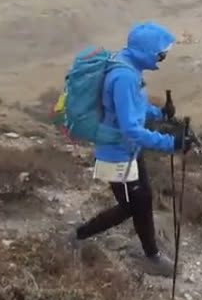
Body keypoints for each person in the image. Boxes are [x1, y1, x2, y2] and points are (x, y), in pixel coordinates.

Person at [73, 21, 190, 277]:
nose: (162, 58)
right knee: (132, 205)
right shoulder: (125, 77)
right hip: (118, 154)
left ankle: (150, 254)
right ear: (146, 51)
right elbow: (131, 129)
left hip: (128, 151)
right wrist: (171, 144)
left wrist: (159, 113)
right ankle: (84, 236)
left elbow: (134, 106)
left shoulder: (128, 66)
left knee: (141, 200)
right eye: (160, 53)